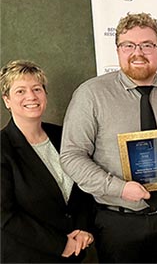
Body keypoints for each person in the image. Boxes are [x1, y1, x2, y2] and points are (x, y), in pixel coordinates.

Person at [60, 13, 157, 263]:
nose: (138, 52)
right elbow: (72, 155)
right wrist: (119, 188)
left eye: (147, 45)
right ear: (118, 50)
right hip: (117, 222)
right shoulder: (92, 94)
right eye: (128, 45)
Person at [1, 60, 94, 263]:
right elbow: (5, 216)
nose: (31, 96)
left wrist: (85, 230)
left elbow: (85, 187)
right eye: (20, 91)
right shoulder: (3, 148)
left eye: (37, 89)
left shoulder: (64, 136)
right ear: (6, 100)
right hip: (29, 257)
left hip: (75, 254)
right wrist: (61, 244)